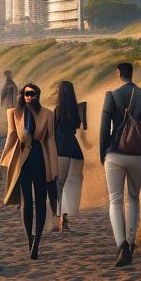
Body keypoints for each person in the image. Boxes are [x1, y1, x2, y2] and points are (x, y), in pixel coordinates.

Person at [99, 62, 141, 267]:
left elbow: (104, 129)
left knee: (115, 201)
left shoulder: (111, 96)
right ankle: (131, 243)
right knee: (132, 198)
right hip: (138, 154)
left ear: (119, 74)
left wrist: (102, 155)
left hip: (115, 154)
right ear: (132, 74)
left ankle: (121, 246)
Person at [0, 82, 58, 260]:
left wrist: (54, 167)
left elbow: (50, 140)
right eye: (27, 93)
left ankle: (36, 242)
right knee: (28, 201)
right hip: (24, 159)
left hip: (39, 158)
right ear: (22, 95)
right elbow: (11, 136)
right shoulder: (13, 113)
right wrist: (3, 161)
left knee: (38, 200)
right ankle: (30, 241)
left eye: (33, 94)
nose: (30, 97)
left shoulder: (48, 114)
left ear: (37, 95)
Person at [53, 80, 87, 232]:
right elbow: (79, 127)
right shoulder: (77, 109)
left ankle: (61, 217)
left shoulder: (57, 110)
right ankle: (67, 214)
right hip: (75, 149)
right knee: (74, 184)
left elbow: (53, 132)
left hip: (61, 149)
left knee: (60, 184)